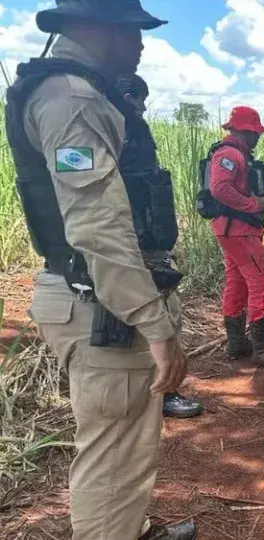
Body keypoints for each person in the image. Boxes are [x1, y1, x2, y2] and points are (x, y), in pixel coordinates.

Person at [4, 0, 197, 538]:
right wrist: (155, 327)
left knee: (123, 449)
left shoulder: (74, 91)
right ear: (99, 29)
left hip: (96, 300)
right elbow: (98, 227)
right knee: (113, 459)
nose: (141, 43)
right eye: (133, 31)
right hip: (104, 309)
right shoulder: (74, 99)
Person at [117, 73, 203, 420]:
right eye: (140, 98)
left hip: (145, 246)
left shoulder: (126, 136)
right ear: (127, 96)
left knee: (162, 317)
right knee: (161, 319)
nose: (143, 106)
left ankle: (155, 392)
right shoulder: (118, 134)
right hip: (136, 250)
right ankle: (163, 394)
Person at [207, 106, 264, 369]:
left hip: (232, 229)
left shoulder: (233, 154)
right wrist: (252, 205)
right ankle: (262, 348)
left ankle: (237, 343)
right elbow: (219, 188)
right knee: (260, 284)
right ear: (244, 131)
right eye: (256, 132)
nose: (259, 137)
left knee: (238, 282)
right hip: (239, 230)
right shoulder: (230, 154)